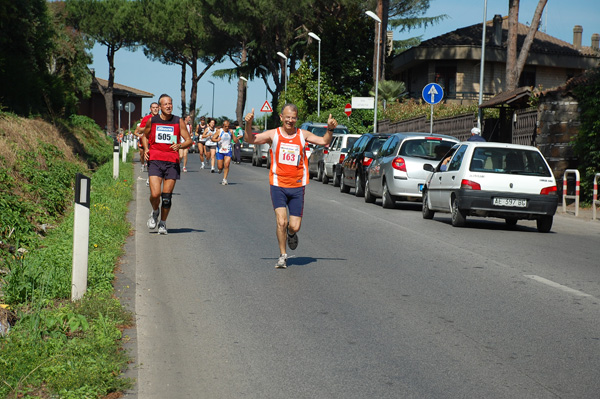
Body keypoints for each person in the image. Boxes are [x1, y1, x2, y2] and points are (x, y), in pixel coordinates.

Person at [244, 104, 338, 269]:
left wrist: (330, 129)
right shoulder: (274, 134)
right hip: (278, 184)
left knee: (294, 225)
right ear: (281, 117)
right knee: (281, 221)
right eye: (287, 117)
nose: (290, 120)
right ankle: (283, 255)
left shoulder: (302, 135)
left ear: (296, 118)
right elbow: (250, 139)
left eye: (293, 117)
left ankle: (291, 233)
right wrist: (248, 124)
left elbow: (324, 141)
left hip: (297, 186)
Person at [143, 94, 193, 235]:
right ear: (159, 107)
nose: (168, 106)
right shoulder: (152, 121)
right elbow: (144, 136)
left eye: (170, 103)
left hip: (172, 161)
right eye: (165, 104)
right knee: (155, 193)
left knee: (166, 197)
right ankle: (154, 211)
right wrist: (146, 149)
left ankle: (163, 223)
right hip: (155, 160)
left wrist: (180, 145)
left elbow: (189, 140)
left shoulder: (178, 121)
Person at [211, 120, 240, 185]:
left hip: (228, 150)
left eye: (228, 126)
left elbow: (236, 141)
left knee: (227, 165)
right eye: (226, 126)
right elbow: (212, 139)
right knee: (220, 167)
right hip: (220, 151)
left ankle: (224, 179)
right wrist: (217, 140)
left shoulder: (230, 132)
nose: (227, 127)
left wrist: (233, 134)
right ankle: (220, 169)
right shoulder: (219, 131)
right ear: (223, 126)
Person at [135, 102, 160, 172]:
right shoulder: (146, 118)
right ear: (150, 109)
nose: (155, 109)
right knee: (150, 161)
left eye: (156, 107)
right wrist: (148, 127)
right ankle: (150, 177)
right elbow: (139, 130)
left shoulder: (161, 118)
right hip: (148, 142)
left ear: (159, 108)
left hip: (158, 143)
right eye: (153, 108)